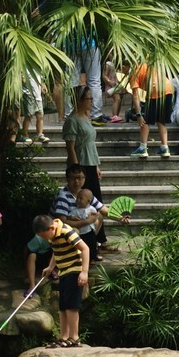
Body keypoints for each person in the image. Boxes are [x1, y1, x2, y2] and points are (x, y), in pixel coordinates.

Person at [61, 87, 114, 250]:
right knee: (85, 201)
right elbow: (71, 146)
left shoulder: (86, 116)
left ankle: (99, 240)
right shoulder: (72, 120)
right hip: (82, 164)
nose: (91, 102)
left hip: (91, 163)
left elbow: (91, 143)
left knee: (96, 200)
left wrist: (96, 165)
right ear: (79, 100)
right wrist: (77, 170)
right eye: (89, 99)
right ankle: (93, 242)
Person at [33, 214, 90, 347]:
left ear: (51, 228)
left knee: (71, 306)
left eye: (43, 236)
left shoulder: (66, 231)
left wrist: (84, 272)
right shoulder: (53, 235)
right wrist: (50, 267)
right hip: (63, 272)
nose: (44, 239)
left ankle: (74, 337)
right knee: (63, 307)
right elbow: (56, 250)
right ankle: (63, 337)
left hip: (74, 271)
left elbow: (85, 248)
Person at [51, 165, 129, 252]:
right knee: (75, 231)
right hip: (62, 230)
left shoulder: (85, 194)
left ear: (84, 179)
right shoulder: (63, 196)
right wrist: (87, 222)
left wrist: (121, 218)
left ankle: (89, 248)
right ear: (67, 179)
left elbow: (103, 209)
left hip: (80, 225)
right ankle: (77, 254)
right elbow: (62, 222)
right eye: (73, 178)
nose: (77, 182)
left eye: (80, 178)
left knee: (98, 215)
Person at [129, 63, 174, 158]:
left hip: (154, 89)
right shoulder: (145, 62)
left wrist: (138, 115)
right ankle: (165, 148)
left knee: (145, 121)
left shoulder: (133, 72)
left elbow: (136, 96)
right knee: (161, 120)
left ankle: (142, 148)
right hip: (168, 87)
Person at [16, 71, 50, 144]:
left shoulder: (37, 66)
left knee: (40, 116)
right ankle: (25, 134)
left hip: (38, 95)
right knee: (28, 116)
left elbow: (40, 78)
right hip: (28, 94)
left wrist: (43, 86)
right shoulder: (24, 66)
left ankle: (39, 134)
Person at [67, 188, 100, 263]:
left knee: (92, 245)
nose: (78, 200)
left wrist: (95, 215)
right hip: (81, 232)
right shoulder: (75, 210)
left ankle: (92, 258)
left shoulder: (92, 209)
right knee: (82, 246)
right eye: (77, 198)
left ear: (88, 201)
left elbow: (96, 216)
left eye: (81, 198)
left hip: (90, 230)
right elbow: (69, 216)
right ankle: (82, 258)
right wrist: (73, 218)